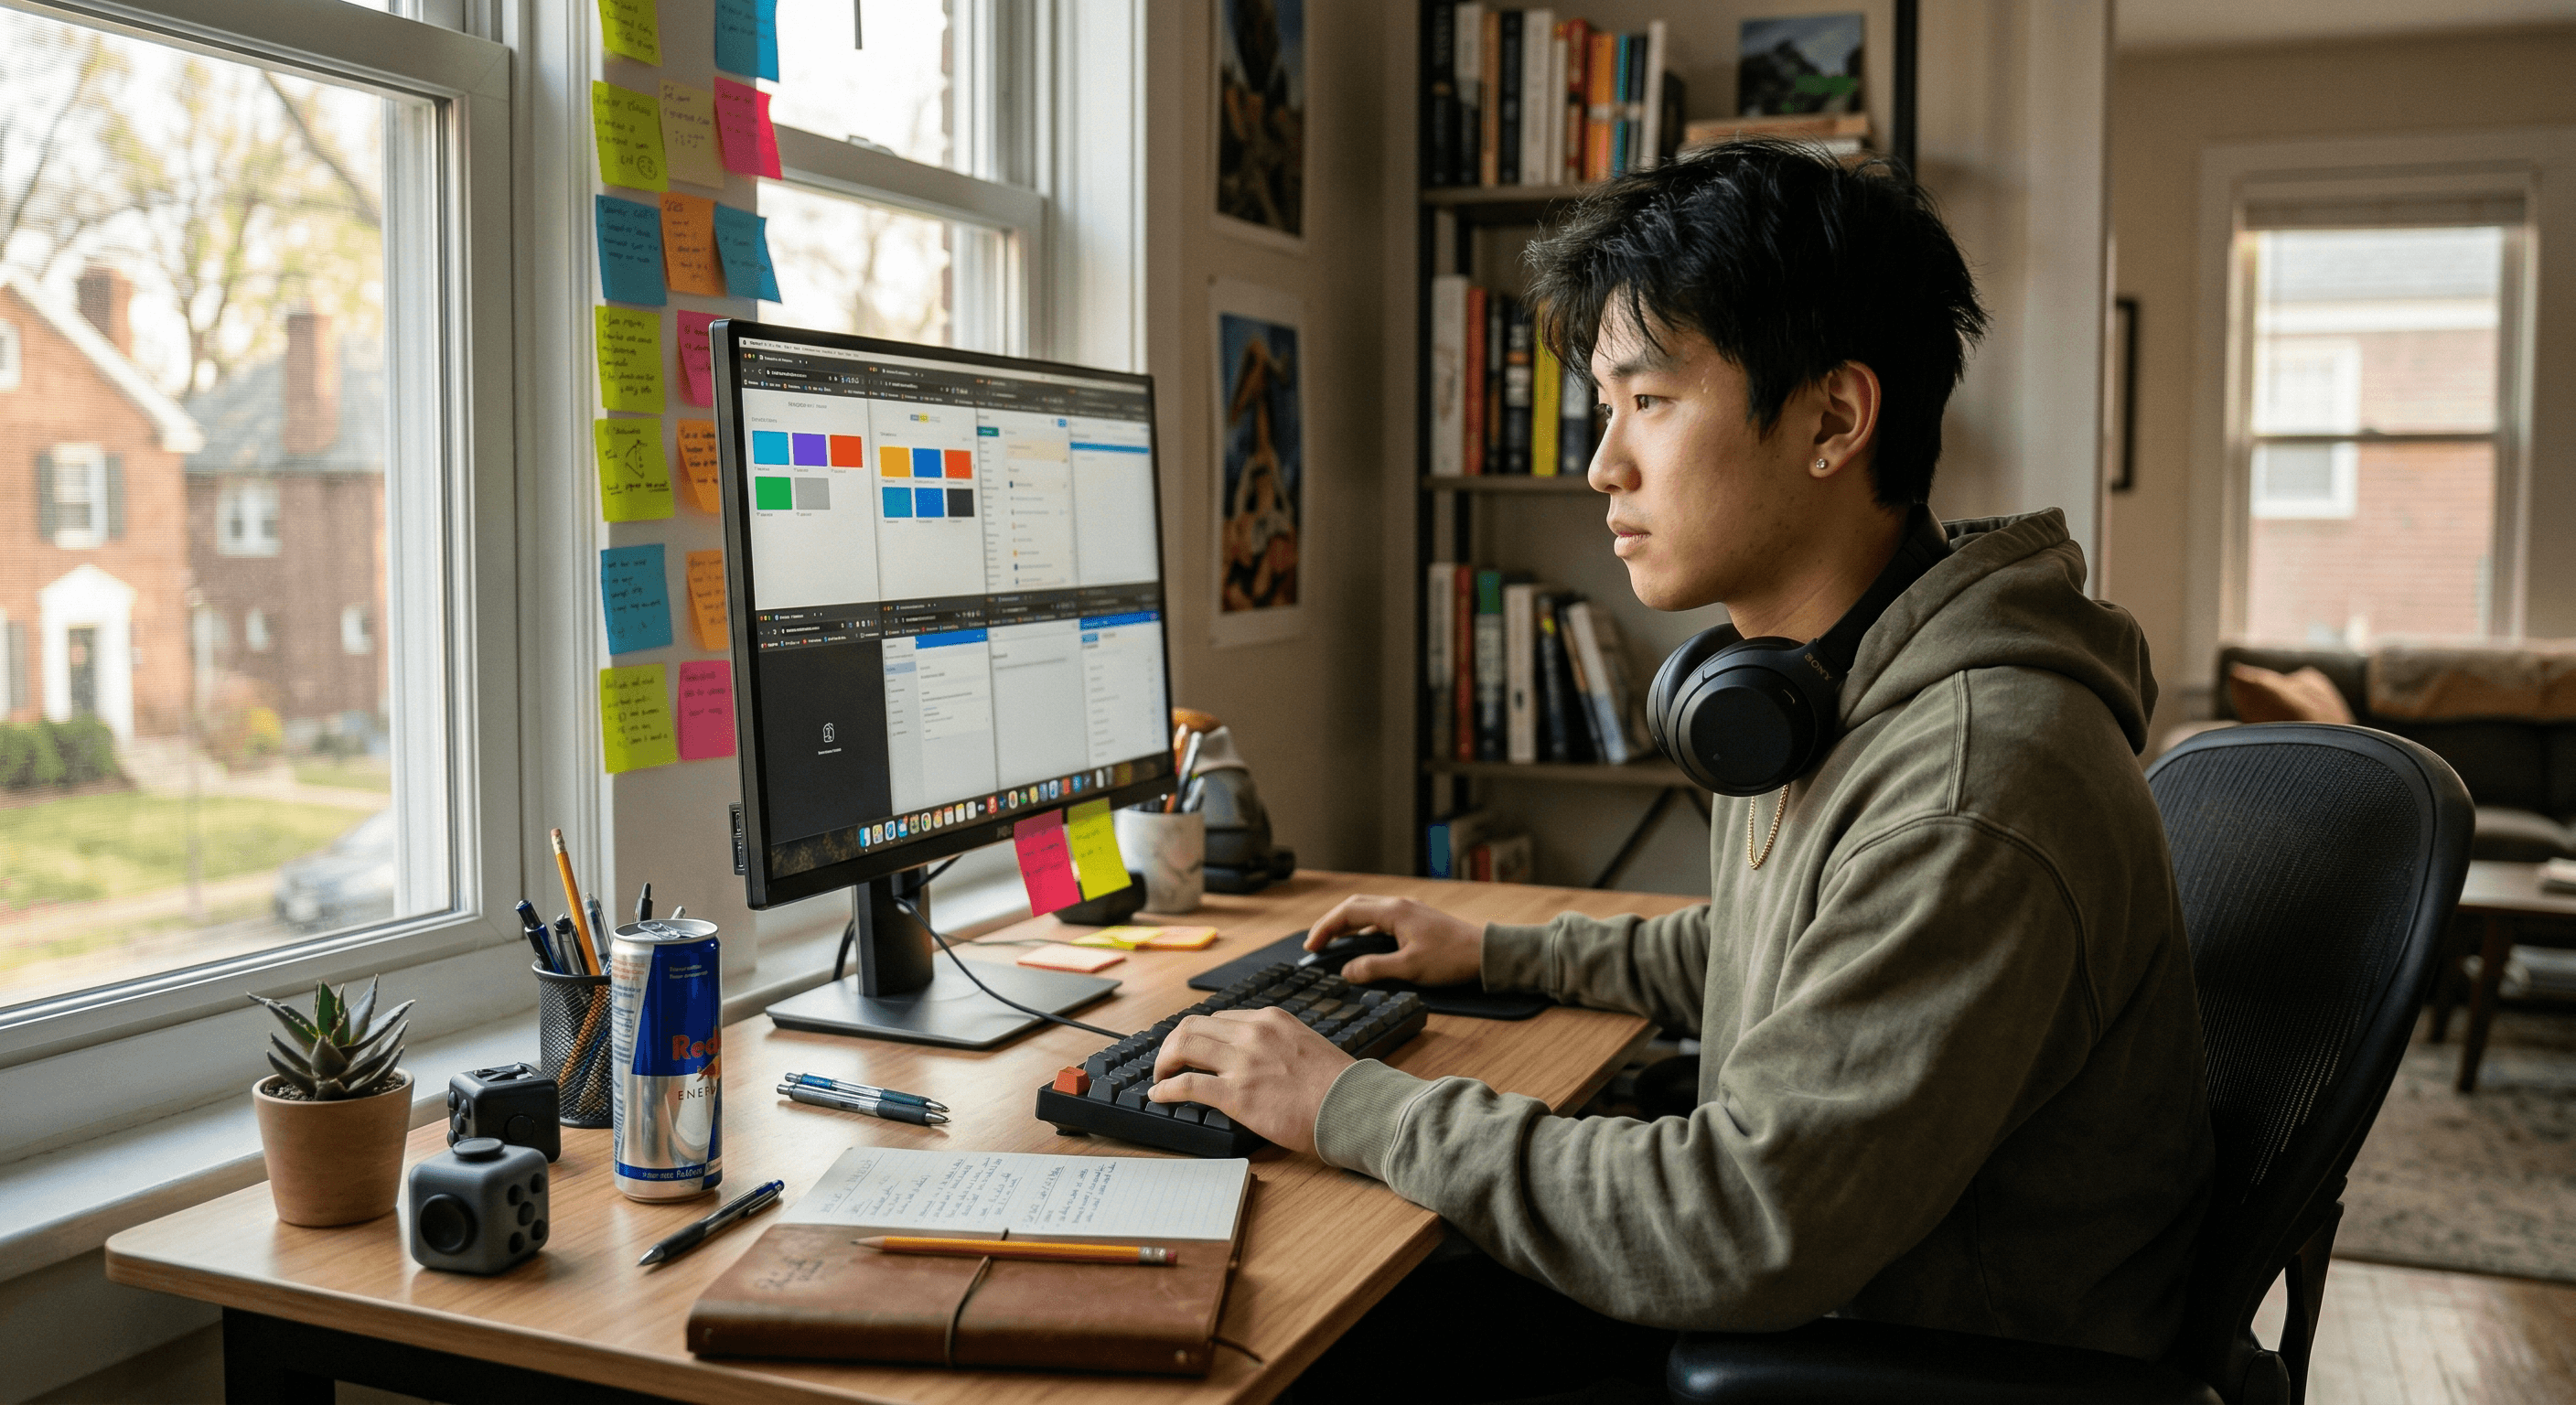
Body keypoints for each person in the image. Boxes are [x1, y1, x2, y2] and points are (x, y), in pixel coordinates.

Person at [1146, 142, 2214, 1400]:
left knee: (1291, 1332)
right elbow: (1769, 956)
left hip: (1891, 1358)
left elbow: (1738, 1224)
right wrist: (1495, 951)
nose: (1603, 465)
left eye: (1648, 401)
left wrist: (1348, 1103)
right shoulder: (1838, 693)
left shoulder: (1970, 786)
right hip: (1837, 1299)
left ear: (1833, 418)